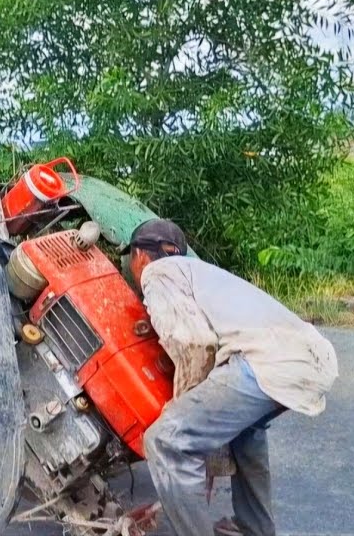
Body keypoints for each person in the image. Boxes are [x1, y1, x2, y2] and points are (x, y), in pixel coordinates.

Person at [127, 219, 339, 536]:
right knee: (245, 436)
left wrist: (182, 410)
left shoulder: (158, 274)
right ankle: (256, 530)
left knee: (167, 441)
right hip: (311, 357)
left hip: (268, 361)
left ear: (139, 256)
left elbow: (196, 345)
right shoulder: (198, 272)